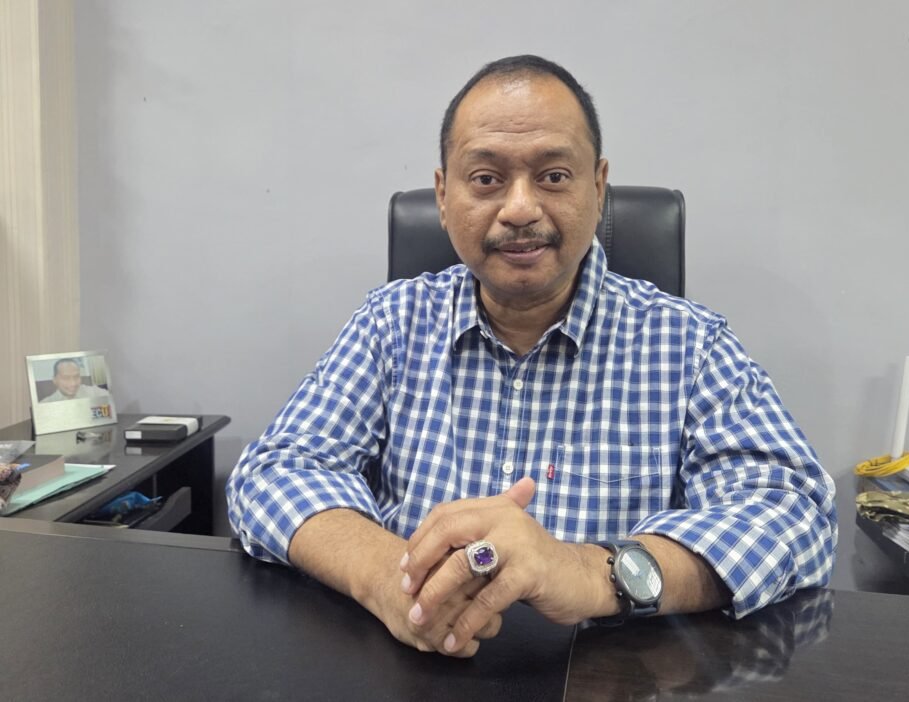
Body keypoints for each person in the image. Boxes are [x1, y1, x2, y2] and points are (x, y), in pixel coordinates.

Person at [227, 55, 837, 658]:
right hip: (413, 661)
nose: (519, 208)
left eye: (553, 176)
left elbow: (794, 512)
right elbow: (275, 471)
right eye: (486, 179)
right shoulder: (392, 322)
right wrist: (391, 577)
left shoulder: (689, 344)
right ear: (443, 197)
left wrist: (589, 572)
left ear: (597, 187)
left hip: (613, 675)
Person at [40, 358, 108, 402]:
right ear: (55, 380)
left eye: (76, 376)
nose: (73, 383)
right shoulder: (46, 403)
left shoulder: (94, 392)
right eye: (66, 378)